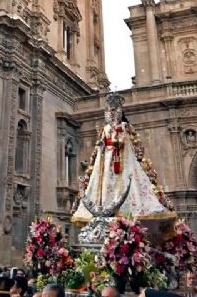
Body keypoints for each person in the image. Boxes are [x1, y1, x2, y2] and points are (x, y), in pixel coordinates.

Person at [72, 94, 176, 231]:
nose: (112, 113)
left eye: (115, 110)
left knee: (127, 182)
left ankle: (126, 212)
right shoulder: (105, 129)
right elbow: (99, 146)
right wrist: (102, 147)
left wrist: (120, 142)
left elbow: (135, 145)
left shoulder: (126, 127)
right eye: (109, 110)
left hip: (124, 159)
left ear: (120, 111)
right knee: (104, 185)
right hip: (106, 161)